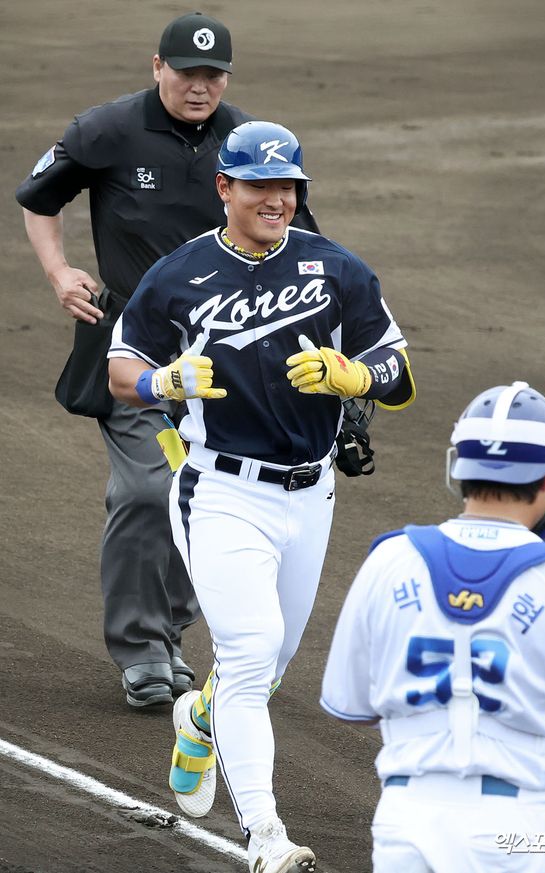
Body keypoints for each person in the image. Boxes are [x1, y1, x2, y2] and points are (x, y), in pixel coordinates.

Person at [107, 119, 415, 873]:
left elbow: (398, 368)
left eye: (288, 186)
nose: (277, 199)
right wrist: (163, 382)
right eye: (260, 186)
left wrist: (357, 377)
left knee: (269, 664)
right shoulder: (178, 275)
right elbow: (121, 365)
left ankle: (198, 714)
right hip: (218, 490)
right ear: (226, 189)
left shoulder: (336, 270)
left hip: (310, 496)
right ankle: (268, 837)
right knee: (247, 652)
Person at [15, 12, 320, 707]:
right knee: (149, 490)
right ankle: (139, 647)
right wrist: (61, 273)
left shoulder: (246, 144)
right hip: (137, 352)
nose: (199, 87)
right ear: (158, 67)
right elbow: (39, 198)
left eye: (213, 76)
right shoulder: (108, 130)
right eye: (186, 73)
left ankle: (168, 634)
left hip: (231, 361)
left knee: (206, 496)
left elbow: (301, 242)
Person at [321, 381, 545, 873]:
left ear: (460, 468)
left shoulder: (389, 560)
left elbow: (349, 706)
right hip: (519, 831)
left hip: (406, 824)